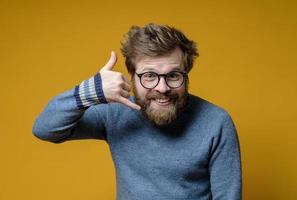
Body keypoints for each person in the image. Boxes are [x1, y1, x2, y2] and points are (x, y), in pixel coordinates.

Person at [32, 23, 242, 200]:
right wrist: (90, 91)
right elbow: (45, 129)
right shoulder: (115, 113)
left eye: (173, 75)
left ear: (186, 75)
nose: (162, 88)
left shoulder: (216, 122)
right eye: (149, 75)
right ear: (132, 76)